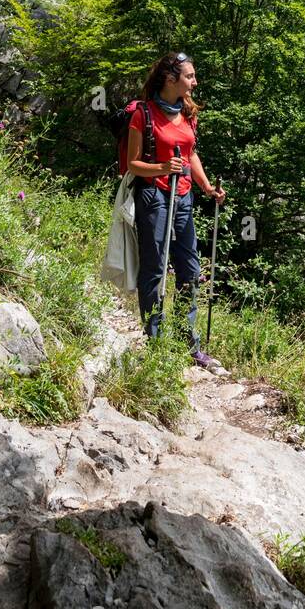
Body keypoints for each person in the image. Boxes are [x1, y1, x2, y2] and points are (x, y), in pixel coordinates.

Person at [126, 51, 226, 371]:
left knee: (190, 269)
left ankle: (188, 343)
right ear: (171, 79)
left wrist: (207, 187)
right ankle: (155, 341)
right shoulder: (143, 113)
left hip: (182, 198)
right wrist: (161, 166)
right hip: (153, 196)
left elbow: (191, 154)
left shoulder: (187, 113)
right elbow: (133, 164)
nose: (194, 82)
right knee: (155, 269)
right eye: (190, 77)